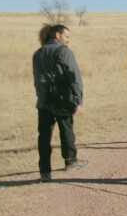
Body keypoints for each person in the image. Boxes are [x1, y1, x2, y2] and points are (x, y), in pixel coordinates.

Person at [32, 24, 88, 182]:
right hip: (62, 100)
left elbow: (36, 79)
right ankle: (70, 161)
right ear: (57, 35)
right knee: (66, 130)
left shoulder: (37, 53)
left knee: (44, 137)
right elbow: (75, 77)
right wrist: (78, 99)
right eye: (67, 36)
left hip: (43, 102)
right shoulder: (64, 52)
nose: (68, 40)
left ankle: (45, 172)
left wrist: (41, 95)